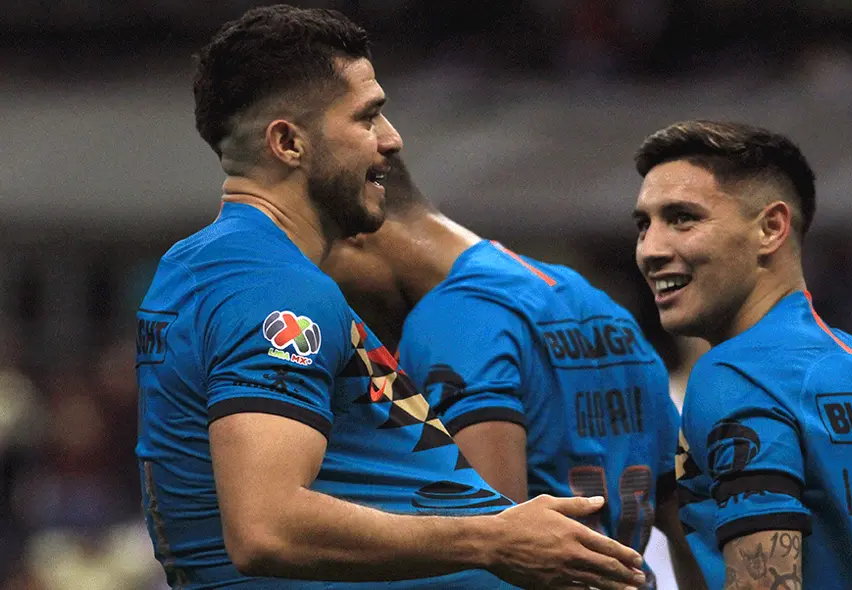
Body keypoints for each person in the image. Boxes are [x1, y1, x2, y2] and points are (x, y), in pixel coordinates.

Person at [135, 5, 647, 589]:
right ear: (288, 142)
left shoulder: (204, 266)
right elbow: (266, 529)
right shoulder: (275, 286)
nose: (391, 139)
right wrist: (494, 539)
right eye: (367, 117)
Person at [321, 154, 705, 590]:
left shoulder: (454, 319)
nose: (327, 293)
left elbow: (491, 554)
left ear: (356, 233)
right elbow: (692, 529)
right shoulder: (593, 304)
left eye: (320, 261)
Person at [630, 120, 852, 590]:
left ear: (771, 228)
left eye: (683, 218)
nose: (650, 249)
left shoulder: (736, 375)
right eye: (644, 225)